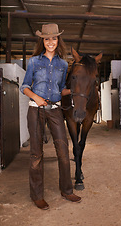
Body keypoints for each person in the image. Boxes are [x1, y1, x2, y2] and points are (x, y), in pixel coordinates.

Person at [20, 23, 81, 210]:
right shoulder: (33, 62)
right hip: (35, 110)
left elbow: (61, 89)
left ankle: (67, 190)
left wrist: (74, 91)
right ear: (42, 41)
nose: (50, 42)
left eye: (54, 38)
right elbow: (24, 87)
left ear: (58, 40)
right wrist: (36, 98)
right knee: (36, 154)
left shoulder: (63, 64)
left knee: (63, 151)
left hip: (55, 110)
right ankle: (37, 195)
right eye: (47, 38)